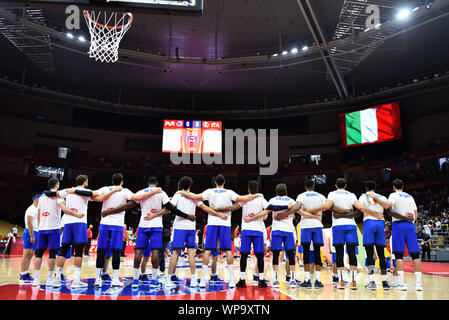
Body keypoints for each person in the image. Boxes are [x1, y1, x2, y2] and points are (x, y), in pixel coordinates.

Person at [178, 174, 263, 288]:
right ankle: (232, 280)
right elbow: (243, 199)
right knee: (228, 251)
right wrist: (257, 194)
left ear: (215, 182)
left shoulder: (210, 191)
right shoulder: (229, 192)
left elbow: (196, 197)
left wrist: (182, 192)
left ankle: (203, 280)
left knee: (207, 251)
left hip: (212, 224)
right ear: (224, 183)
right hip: (225, 224)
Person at [307, 178, 380, 290]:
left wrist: (312, 210)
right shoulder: (351, 195)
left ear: (336, 185)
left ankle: (341, 282)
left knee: (339, 253)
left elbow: (326, 206)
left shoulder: (332, 194)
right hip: (351, 225)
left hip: (338, 226)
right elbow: (360, 208)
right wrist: (374, 213)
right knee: (352, 253)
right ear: (345, 185)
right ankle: (354, 282)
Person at [94, 173, 162, 288]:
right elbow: (137, 198)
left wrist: (107, 199)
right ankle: (115, 279)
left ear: (112, 181)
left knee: (101, 251)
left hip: (104, 223)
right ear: (121, 182)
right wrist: (154, 191)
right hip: (117, 225)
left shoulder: (105, 189)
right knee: (116, 252)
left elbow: (94, 196)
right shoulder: (125, 191)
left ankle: (97, 280)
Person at [53, 175, 121, 288]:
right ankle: (76, 280)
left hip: (67, 222)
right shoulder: (87, 191)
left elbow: (55, 194)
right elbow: (100, 198)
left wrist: (72, 190)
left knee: (63, 251)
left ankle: (57, 278)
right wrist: (114, 190)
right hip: (79, 223)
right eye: (87, 181)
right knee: (79, 251)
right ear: (85, 182)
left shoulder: (67, 191)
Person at [165, 176, 221, 288]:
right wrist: (218, 212)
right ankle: (194, 280)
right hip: (190, 228)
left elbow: (170, 208)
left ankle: (167, 280)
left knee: (175, 253)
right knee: (191, 253)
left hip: (179, 227)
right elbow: (206, 208)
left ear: (181, 184)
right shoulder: (194, 197)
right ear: (190, 185)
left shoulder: (178, 194)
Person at [371, 179, 423, 291]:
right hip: (410, 225)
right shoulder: (410, 196)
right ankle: (419, 284)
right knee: (416, 255)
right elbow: (416, 214)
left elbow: (386, 205)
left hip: (398, 226)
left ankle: (401, 284)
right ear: (403, 186)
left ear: (394, 187)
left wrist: (375, 197)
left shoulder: (393, 195)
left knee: (399, 255)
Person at [266, 183, 320, 288]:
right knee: (291, 255)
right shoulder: (291, 200)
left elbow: (267, 211)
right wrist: (314, 216)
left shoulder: (272, 200)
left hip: (276, 229)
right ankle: (292, 279)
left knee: (276, 255)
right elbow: (302, 213)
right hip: (289, 231)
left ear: (276, 191)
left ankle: (275, 279)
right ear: (286, 191)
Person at [32, 178, 80, 287]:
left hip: (42, 229)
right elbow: (64, 209)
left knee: (38, 253)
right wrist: (75, 214)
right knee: (52, 254)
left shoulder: (41, 198)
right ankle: (49, 278)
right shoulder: (58, 197)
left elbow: (39, 213)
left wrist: (40, 226)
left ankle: (36, 279)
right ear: (57, 185)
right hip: (54, 228)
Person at [295, 179, 326, 289]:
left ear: (305, 187)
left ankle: (307, 280)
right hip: (317, 225)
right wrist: (316, 214)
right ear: (313, 186)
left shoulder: (301, 196)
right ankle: (318, 280)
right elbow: (327, 206)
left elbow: (297, 208)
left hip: (306, 225)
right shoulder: (321, 196)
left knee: (306, 253)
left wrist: (308, 211)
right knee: (317, 252)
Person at [362, 180, 391, 290]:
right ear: (375, 188)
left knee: (369, 255)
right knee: (381, 255)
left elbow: (361, 208)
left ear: (366, 188)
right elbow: (387, 206)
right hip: (380, 223)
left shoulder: (363, 197)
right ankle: (385, 282)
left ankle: (372, 282)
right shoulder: (382, 197)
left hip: (369, 222)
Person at [19, 193, 41, 284]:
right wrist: (32, 236)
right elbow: (29, 223)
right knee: (26, 254)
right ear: (36, 199)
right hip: (29, 232)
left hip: (35, 232)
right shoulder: (31, 209)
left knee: (30, 254)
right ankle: (22, 275)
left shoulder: (37, 209)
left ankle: (26, 273)